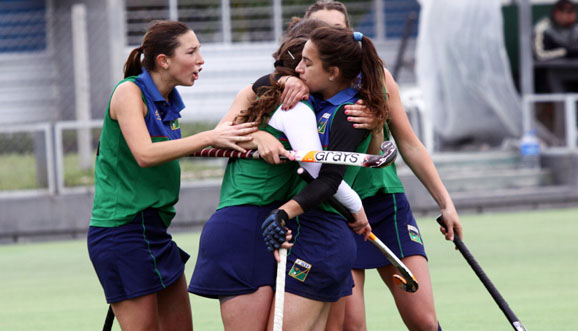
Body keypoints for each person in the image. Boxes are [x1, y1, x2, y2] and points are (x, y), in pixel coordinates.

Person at [188, 18, 372, 331]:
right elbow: (321, 176)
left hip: (274, 226)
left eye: (308, 63)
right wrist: (355, 206)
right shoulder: (295, 108)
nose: (302, 69)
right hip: (251, 226)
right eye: (300, 62)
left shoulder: (304, 103)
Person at [86, 20, 257, 331]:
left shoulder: (167, 103)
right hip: (121, 232)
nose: (200, 60)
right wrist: (208, 137)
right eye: (191, 52)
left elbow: (174, 147)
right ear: (163, 61)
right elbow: (145, 153)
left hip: (154, 231)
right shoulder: (129, 92)